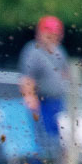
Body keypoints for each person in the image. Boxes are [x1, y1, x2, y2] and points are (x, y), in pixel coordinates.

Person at [18, 15, 69, 148]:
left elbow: (65, 73)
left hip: (57, 100)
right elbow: (27, 78)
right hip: (42, 101)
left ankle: (55, 159)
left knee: (57, 136)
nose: (52, 38)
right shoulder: (33, 51)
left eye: (55, 35)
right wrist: (30, 97)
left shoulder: (59, 51)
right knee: (41, 137)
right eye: (49, 34)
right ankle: (42, 160)